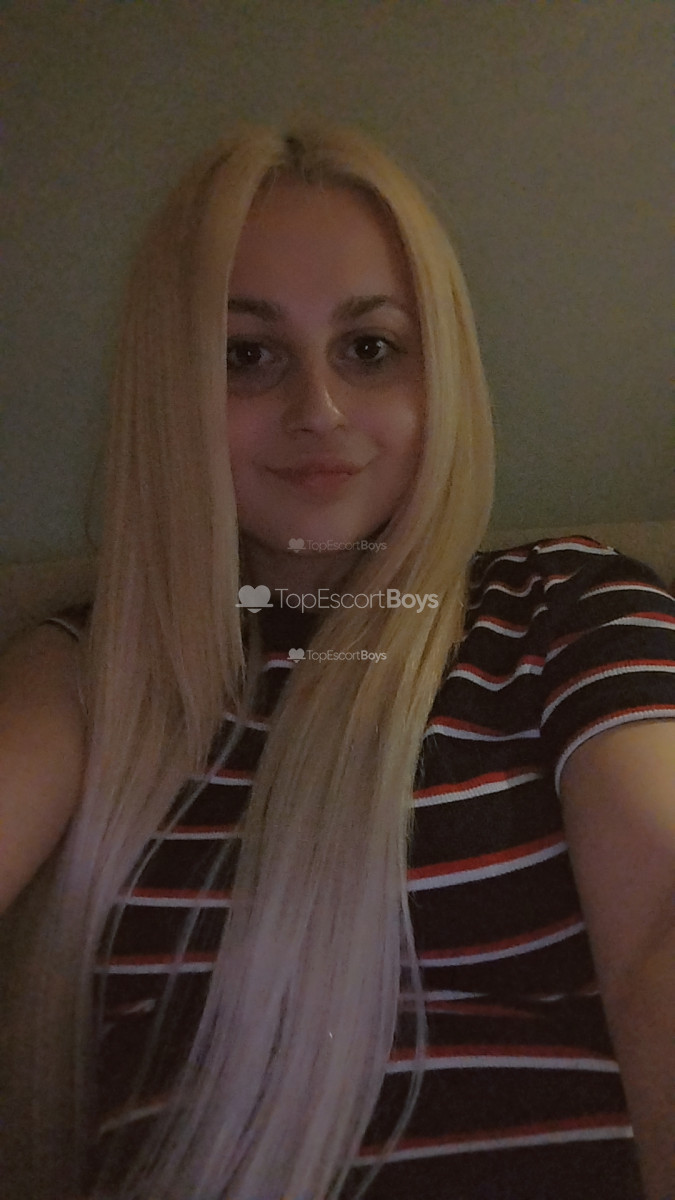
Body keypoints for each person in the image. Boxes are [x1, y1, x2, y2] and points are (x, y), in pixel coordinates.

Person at [0, 120, 673, 1200]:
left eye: (369, 349)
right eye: (246, 355)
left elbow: (658, 941)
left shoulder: (565, 611)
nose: (317, 411)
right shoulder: (90, 673)